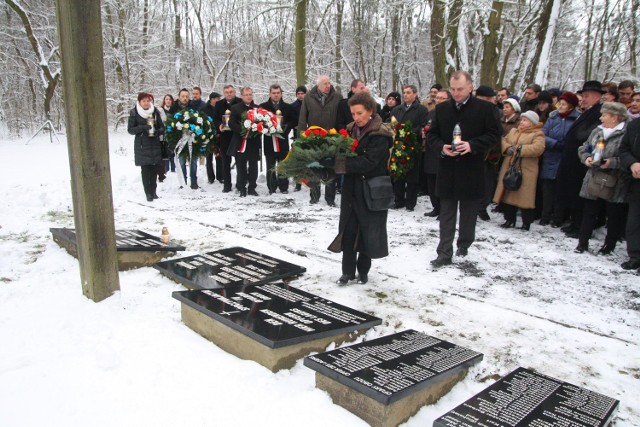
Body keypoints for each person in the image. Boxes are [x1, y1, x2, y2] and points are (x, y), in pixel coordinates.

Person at [427, 70, 501, 266]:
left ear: (470, 88)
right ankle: (444, 252)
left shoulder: (484, 109)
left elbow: (494, 135)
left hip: (471, 168)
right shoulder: (442, 109)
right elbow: (432, 136)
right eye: (453, 89)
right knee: (447, 212)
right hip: (448, 168)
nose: (456, 93)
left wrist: (472, 145)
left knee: (468, 212)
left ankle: (464, 243)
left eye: (460, 89)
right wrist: (441, 147)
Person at [326, 92, 393, 284]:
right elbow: (340, 153)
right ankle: (347, 271)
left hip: (372, 190)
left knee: (368, 231)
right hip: (351, 189)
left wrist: (337, 163)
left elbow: (367, 162)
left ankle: (363, 271)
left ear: (370, 111)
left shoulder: (380, 134)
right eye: (353, 113)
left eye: (360, 113)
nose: (356, 118)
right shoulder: (349, 130)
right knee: (348, 230)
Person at [574, 102, 629, 254]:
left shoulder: (625, 133)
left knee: (613, 213)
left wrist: (612, 163)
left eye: (605, 115)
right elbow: (584, 147)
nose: (601, 117)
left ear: (615, 117)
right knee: (589, 210)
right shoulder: (597, 131)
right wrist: (586, 158)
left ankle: (608, 245)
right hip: (593, 176)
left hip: (615, 179)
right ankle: (582, 242)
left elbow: (627, 155)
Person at [555, 81, 604, 237]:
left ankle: (579, 226)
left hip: (582, 161)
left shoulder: (598, 112)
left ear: (597, 96)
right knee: (573, 193)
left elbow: (587, 134)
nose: (583, 99)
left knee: (580, 195)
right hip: (573, 159)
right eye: (583, 96)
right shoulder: (588, 111)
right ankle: (575, 223)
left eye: (586, 96)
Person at [493, 111, 545, 230]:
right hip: (509, 167)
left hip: (526, 169)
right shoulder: (513, 131)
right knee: (508, 193)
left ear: (532, 122)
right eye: (522, 120)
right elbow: (503, 141)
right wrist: (507, 148)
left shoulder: (537, 134)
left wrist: (517, 149)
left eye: (525, 120)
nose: (522, 122)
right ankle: (509, 219)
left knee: (525, 196)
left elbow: (538, 149)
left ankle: (526, 222)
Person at [298, 75, 342, 205]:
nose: (328, 86)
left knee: (331, 168)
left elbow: (341, 118)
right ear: (318, 85)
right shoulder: (308, 98)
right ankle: (314, 196)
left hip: (332, 139)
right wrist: (301, 138)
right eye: (324, 83)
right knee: (314, 167)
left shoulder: (337, 97)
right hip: (313, 139)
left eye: (329, 83)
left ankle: (330, 199)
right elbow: (302, 120)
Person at [539, 91, 580, 226]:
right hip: (551, 155)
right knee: (548, 189)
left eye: (564, 104)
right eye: (560, 103)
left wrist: (566, 145)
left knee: (561, 190)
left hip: (565, 157)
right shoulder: (552, 117)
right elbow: (543, 135)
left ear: (571, 106)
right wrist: (555, 143)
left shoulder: (577, 119)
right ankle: (545, 216)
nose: (560, 106)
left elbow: (575, 137)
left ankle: (558, 217)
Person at [390, 85, 429, 211]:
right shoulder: (397, 110)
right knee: (398, 174)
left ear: (415, 94)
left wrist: (408, 132)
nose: (405, 95)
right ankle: (399, 200)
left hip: (413, 146)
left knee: (412, 176)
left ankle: (410, 202)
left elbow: (423, 126)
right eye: (404, 92)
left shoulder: (421, 110)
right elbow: (392, 124)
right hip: (398, 146)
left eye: (408, 92)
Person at [128, 92, 165, 202]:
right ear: (139, 102)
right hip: (142, 145)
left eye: (148, 100)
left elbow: (162, 127)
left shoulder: (155, 111)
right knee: (145, 169)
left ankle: (154, 191)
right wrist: (145, 127)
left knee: (154, 169)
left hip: (154, 144)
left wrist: (157, 131)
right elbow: (130, 130)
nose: (146, 103)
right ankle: (147, 193)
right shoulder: (134, 112)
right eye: (143, 101)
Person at [260, 84, 293, 194]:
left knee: (283, 164)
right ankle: (271, 187)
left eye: (278, 93)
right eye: (274, 93)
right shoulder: (263, 107)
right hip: (269, 140)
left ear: (281, 94)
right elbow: (259, 122)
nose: (276, 95)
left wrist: (285, 128)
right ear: (270, 94)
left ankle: (284, 187)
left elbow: (293, 121)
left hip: (282, 140)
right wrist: (267, 128)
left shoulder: (288, 107)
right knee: (270, 165)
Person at [228, 87, 261, 197]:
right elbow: (231, 123)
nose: (249, 96)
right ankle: (242, 188)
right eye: (246, 95)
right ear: (241, 96)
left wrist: (256, 129)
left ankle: (252, 187)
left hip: (253, 142)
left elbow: (262, 123)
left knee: (253, 166)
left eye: (250, 94)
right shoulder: (235, 108)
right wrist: (243, 130)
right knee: (241, 166)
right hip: (240, 141)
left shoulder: (257, 109)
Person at [423, 89, 450, 218]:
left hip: (444, 153)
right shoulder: (431, 114)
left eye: (442, 98)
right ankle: (436, 207)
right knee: (431, 182)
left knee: (442, 183)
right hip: (430, 152)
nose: (438, 100)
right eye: (437, 98)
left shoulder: (451, 114)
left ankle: (444, 210)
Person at [619, 114, 640, 271]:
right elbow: (624, 148)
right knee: (634, 220)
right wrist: (632, 163)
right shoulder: (634, 125)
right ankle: (635, 255)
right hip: (635, 181)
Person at [214, 85, 242, 193]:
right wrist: (219, 126)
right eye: (226, 92)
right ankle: (227, 185)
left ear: (234, 92)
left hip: (237, 135)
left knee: (239, 161)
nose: (229, 94)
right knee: (225, 161)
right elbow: (215, 119)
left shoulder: (240, 102)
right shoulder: (219, 104)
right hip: (225, 136)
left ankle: (240, 184)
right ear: (224, 93)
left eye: (231, 92)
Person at [290, 86, 307, 192]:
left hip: (309, 134)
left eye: (302, 93)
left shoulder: (310, 104)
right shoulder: (293, 106)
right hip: (297, 135)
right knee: (298, 160)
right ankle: (298, 183)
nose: (300, 95)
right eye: (298, 93)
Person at [203, 92, 222, 184]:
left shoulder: (221, 108)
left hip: (219, 135)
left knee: (219, 157)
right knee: (209, 157)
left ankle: (220, 176)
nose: (218, 100)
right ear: (212, 99)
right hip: (208, 135)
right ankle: (210, 177)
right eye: (216, 98)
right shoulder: (205, 109)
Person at [159, 94, 176, 175]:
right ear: (164, 101)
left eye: (170, 99)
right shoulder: (160, 110)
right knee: (165, 150)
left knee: (172, 151)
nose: (168, 101)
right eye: (167, 99)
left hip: (173, 133)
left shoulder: (174, 110)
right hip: (163, 134)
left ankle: (173, 169)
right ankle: (166, 170)